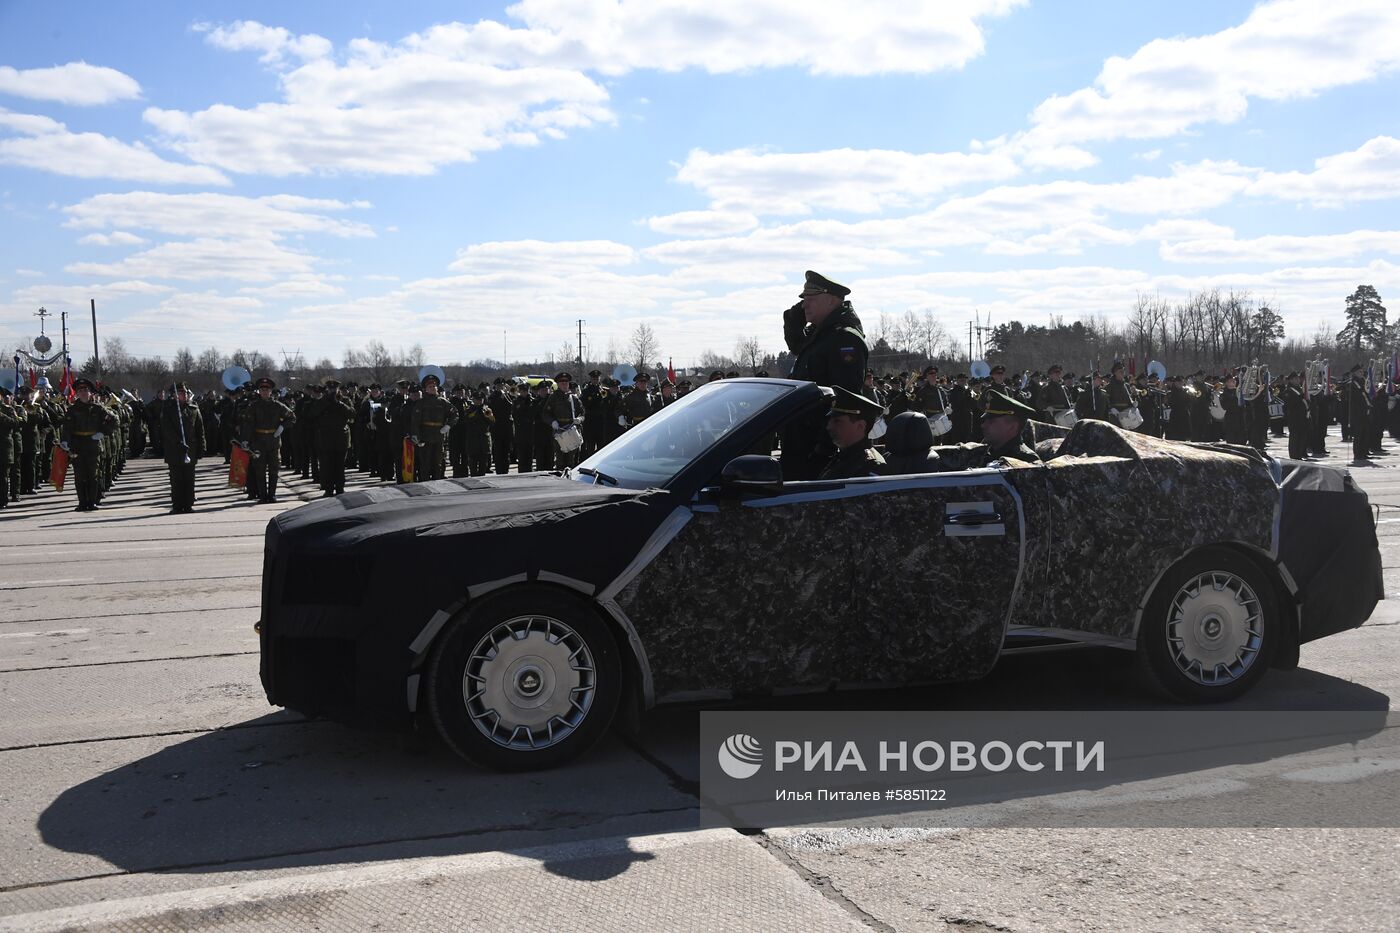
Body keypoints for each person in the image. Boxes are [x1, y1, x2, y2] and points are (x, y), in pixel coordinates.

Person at [781, 270, 869, 480]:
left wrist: (824, 448)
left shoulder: (844, 339)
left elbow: (845, 398)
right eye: (803, 300)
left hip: (819, 449)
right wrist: (792, 325)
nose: (804, 305)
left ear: (831, 301)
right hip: (804, 442)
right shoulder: (822, 334)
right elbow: (799, 348)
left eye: (810, 299)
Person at [61, 378, 117, 511]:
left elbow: (114, 421)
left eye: (86, 390)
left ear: (90, 392)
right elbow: (67, 428)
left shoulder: (98, 409)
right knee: (79, 475)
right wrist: (65, 441)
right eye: (80, 390)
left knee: (93, 474)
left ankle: (92, 502)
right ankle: (82, 502)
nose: (83, 393)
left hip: (93, 444)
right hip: (77, 445)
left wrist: (103, 433)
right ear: (77, 393)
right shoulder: (72, 410)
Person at [240, 377, 295, 503]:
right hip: (258, 440)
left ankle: (272, 494)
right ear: (259, 391)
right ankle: (263, 496)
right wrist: (245, 440)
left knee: (273, 469)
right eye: (262, 389)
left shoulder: (278, 406)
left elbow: (292, 417)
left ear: (271, 391)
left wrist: (282, 426)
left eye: (267, 389)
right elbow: (248, 424)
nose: (264, 392)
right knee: (259, 469)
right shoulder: (253, 406)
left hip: (273, 440)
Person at [818, 386, 887, 480]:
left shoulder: (870, 466)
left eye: (837, 422)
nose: (829, 426)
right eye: (830, 421)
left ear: (860, 426)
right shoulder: (842, 455)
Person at [161, 382, 205, 513]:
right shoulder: (168, 409)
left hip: (190, 449)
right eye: (180, 393)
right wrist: (178, 443)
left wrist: (202, 447)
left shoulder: (193, 408)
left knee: (189, 479)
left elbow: (200, 429)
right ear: (174, 395)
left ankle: (188, 504)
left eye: (185, 393)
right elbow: (167, 429)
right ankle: (177, 505)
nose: (184, 395)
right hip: (175, 450)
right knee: (176, 479)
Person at [410, 373, 457, 482]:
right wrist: (415, 435)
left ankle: (437, 483)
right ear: (425, 389)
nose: (432, 388)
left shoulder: (443, 402)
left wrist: (448, 425)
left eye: (434, 386)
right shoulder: (421, 403)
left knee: (437, 463)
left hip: (438, 435)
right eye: (430, 387)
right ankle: (424, 484)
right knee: (425, 463)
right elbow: (415, 421)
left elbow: (454, 414)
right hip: (425, 436)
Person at [313, 379, 356, 496]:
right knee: (327, 465)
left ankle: (340, 487)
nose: (332, 391)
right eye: (330, 389)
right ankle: (328, 488)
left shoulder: (345, 400)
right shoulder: (322, 401)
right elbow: (313, 414)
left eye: (334, 389)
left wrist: (339, 404)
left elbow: (352, 413)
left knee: (340, 465)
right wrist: (326, 402)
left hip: (341, 437)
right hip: (326, 438)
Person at [980, 391, 1040, 464]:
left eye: (991, 421)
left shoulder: (1025, 461)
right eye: (985, 421)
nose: (983, 425)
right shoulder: (984, 452)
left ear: (1012, 427)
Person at [545, 371, 583, 469]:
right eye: (562, 382)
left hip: (572, 430)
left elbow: (582, 413)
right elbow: (546, 413)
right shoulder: (553, 398)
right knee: (560, 460)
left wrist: (579, 419)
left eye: (566, 381)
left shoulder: (574, 398)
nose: (564, 383)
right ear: (558, 384)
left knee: (573, 460)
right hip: (559, 431)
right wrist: (552, 421)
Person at [1281, 371, 1311, 461]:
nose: (1298, 380)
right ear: (1291, 380)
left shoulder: (1298, 389)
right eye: (1296, 379)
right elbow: (1289, 404)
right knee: (1295, 437)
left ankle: (1299, 453)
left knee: (1301, 436)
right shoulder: (1288, 391)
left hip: (1301, 417)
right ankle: (1294, 455)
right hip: (1294, 418)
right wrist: (1300, 397)